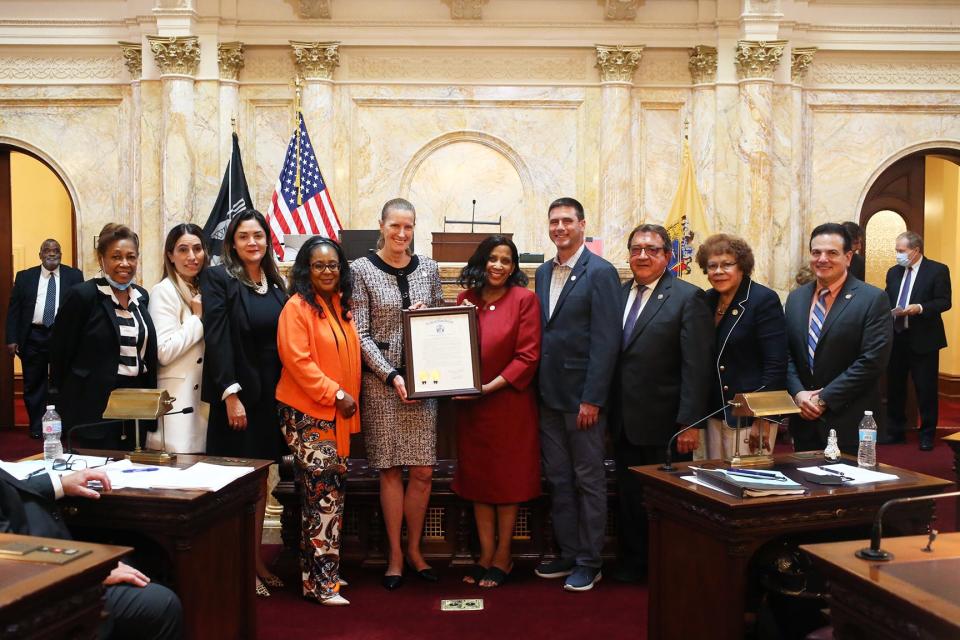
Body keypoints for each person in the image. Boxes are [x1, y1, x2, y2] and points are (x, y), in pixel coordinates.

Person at [609, 224, 713, 583]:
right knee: (630, 497)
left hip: (667, 425)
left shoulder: (688, 297)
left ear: (668, 256)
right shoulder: (619, 294)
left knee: (665, 502)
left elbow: (696, 366)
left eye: (652, 249)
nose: (642, 255)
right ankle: (635, 563)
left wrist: (690, 423)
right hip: (623, 421)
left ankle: (666, 568)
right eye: (636, 249)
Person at [351, 198, 444, 590]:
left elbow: (441, 322)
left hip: (425, 381)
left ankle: (415, 549)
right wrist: (391, 376)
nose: (402, 234)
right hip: (382, 384)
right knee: (389, 469)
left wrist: (427, 313)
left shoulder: (430, 268)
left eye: (408, 227)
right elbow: (359, 332)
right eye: (395, 227)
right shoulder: (360, 270)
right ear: (382, 225)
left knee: (422, 470)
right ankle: (393, 554)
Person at [533, 197, 621, 592]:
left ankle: (590, 560)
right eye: (554, 222)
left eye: (567, 221)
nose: (560, 228)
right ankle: (569, 553)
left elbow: (607, 341)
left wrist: (593, 398)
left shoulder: (600, 273)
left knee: (589, 480)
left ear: (582, 225)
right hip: (548, 396)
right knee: (558, 478)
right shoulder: (541, 272)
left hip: (582, 400)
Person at [200, 209, 287, 596]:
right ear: (232, 243)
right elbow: (216, 337)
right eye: (244, 237)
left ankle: (254, 561)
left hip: (272, 395)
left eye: (258, 236)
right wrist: (230, 394)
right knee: (237, 486)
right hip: (239, 396)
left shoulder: (275, 281)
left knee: (260, 485)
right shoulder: (219, 279)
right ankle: (236, 567)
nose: (252, 242)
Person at [0, 466, 182, 640]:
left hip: (46, 556)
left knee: (142, 559)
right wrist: (91, 571)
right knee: (161, 603)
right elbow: (8, 559)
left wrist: (58, 484)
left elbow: (6, 489)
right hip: (33, 594)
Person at [276, 236, 361, 606]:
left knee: (326, 497)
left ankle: (321, 573)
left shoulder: (340, 306)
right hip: (309, 414)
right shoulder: (297, 308)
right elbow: (298, 362)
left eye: (333, 265)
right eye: (319, 265)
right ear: (305, 270)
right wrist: (336, 394)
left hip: (334, 418)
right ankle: (321, 586)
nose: (327, 271)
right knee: (323, 498)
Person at [453, 235, 541, 588]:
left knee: (506, 483)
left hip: (508, 406)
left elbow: (528, 356)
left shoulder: (525, 299)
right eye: (493, 258)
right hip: (470, 410)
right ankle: (485, 554)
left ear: (514, 267)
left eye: (507, 260)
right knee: (479, 480)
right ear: (481, 261)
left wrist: (488, 388)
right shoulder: (465, 300)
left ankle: (503, 556)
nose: (499, 266)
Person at [784, 223, 893, 452]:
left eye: (832, 253)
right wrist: (798, 394)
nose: (822, 259)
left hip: (849, 423)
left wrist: (824, 399)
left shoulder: (873, 299)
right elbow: (786, 354)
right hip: (804, 421)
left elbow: (872, 361)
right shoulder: (796, 299)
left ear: (848, 257)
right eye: (816, 252)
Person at [50, 224, 157, 451]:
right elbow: (61, 353)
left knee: (133, 471)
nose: (124, 264)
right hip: (94, 405)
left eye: (131, 257)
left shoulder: (142, 297)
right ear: (101, 260)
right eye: (116, 257)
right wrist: (61, 403)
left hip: (135, 403)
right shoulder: (83, 295)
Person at [695, 233, 787, 460]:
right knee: (710, 486)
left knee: (745, 487)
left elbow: (775, 364)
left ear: (742, 266)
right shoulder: (705, 300)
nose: (718, 271)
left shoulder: (762, 300)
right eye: (712, 266)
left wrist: (764, 419)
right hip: (711, 414)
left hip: (750, 418)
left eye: (727, 265)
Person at [5, 239, 83, 439]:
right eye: (47, 250)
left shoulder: (74, 276)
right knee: (33, 383)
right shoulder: (25, 277)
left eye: (56, 250)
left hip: (62, 336)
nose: (51, 253)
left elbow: (81, 310)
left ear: (61, 254)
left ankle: (61, 426)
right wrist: (12, 339)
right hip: (33, 336)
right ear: (40, 255)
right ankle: (37, 426)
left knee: (62, 382)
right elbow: (14, 310)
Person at [881, 231, 952, 450]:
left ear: (916, 250)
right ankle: (895, 431)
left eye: (901, 251)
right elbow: (886, 297)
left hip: (924, 339)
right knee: (895, 388)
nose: (898, 255)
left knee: (926, 388)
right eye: (896, 251)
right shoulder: (893, 272)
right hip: (897, 338)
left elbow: (944, 301)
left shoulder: (937, 270)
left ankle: (927, 434)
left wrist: (919, 308)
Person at [148, 223, 209, 453]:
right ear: (170, 256)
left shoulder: (206, 290)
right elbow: (163, 352)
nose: (192, 256)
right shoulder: (164, 291)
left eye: (197, 248)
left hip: (203, 403)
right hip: (177, 403)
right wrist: (196, 319)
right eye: (183, 250)